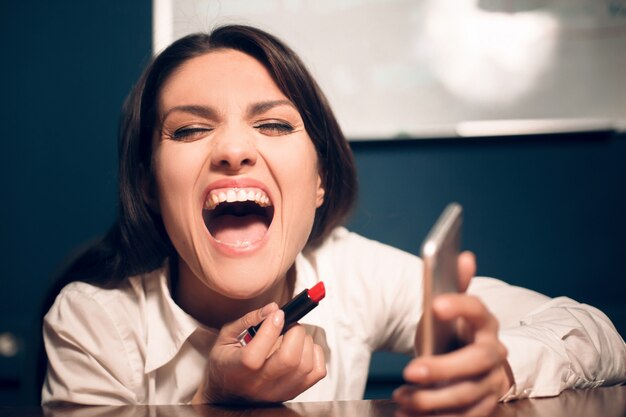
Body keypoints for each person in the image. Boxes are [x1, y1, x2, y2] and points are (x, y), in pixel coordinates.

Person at [41, 24, 626, 415]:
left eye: (273, 125)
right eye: (191, 129)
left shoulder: (355, 271)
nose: (233, 150)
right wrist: (212, 401)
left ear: (319, 182)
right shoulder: (90, 324)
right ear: (147, 184)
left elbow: (597, 333)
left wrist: (499, 369)